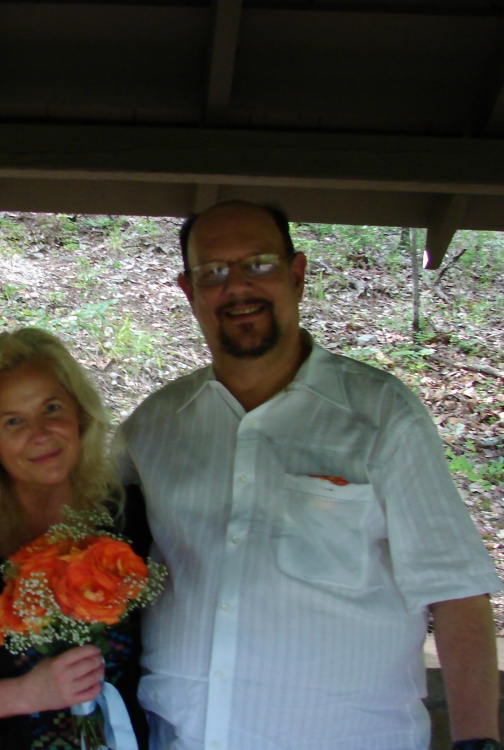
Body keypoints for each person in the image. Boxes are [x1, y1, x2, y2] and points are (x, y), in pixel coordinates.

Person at [117, 200, 503, 750]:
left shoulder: (382, 415)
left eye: (259, 264)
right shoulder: (154, 427)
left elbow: (458, 592)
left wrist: (478, 743)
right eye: (214, 272)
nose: (238, 286)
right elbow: (66, 511)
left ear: (297, 275)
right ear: (189, 290)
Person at [0, 328, 151, 749]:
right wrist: (28, 694)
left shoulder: (128, 517)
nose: (41, 433)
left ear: (79, 414)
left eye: (52, 408)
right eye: (13, 421)